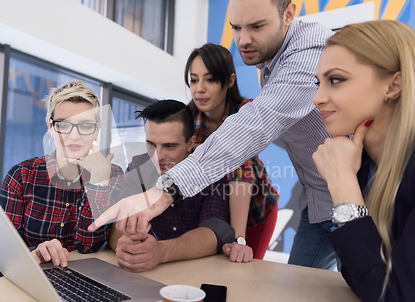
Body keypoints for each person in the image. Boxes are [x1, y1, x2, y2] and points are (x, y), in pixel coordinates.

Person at [89, 0, 336, 270]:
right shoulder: (188, 117)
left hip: (256, 206)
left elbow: (245, 157)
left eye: (256, 26)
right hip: (316, 201)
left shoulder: (303, 57)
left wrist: (237, 235)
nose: (242, 39)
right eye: (236, 28)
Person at [312, 20, 415, 302]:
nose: (317, 98)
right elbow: (360, 278)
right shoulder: (365, 164)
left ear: (393, 85)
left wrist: (342, 183)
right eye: (317, 82)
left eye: (336, 80)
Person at [0, 80, 123, 285]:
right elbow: (1, 253)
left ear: (97, 130)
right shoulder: (23, 175)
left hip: (71, 279)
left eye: (85, 126)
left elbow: (89, 246)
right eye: (63, 125)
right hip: (13, 275)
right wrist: (35, 253)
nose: (74, 135)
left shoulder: (111, 174)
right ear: (50, 128)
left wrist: (97, 184)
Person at [110, 99, 239, 273]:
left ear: (190, 143)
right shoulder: (137, 166)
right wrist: (128, 248)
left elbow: (215, 231)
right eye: (151, 144)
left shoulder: (212, 170)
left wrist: (161, 252)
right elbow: (117, 227)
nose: (158, 156)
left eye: (169, 146)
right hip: (147, 274)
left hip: (197, 273)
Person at [185, 43, 279, 261]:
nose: (199, 88)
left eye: (210, 79)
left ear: (229, 81)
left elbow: (240, 167)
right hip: (212, 212)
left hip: (255, 213)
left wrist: (238, 240)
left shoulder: (248, 112)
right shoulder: (187, 119)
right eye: (194, 79)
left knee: (243, 269)